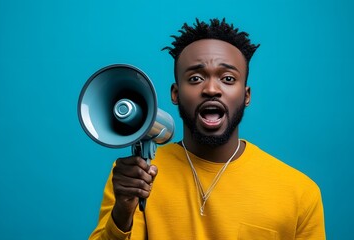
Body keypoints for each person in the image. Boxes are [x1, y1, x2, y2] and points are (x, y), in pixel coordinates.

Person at [89, 18, 326, 239]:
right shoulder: (135, 176)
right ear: (175, 93)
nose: (211, 89)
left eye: (228, 79)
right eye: (195, 78)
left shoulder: (300, 193)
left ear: (246, 96)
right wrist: (123, 209)